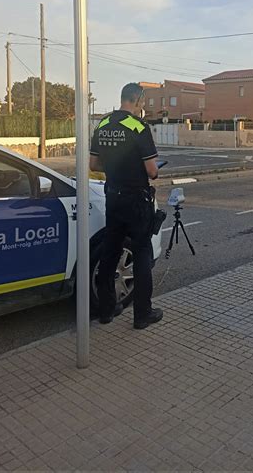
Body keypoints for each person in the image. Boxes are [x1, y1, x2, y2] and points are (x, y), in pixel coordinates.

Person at [89, 83, 163, 329]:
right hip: (136, 199)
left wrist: (115, 168)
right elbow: (152, 171)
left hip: (113, 196)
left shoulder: (103, 124)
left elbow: (94, 164)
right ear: (139, 99)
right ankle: (143, 314)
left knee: (110, 251)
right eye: (143, 101)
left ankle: (106, 310)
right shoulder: (138, 126)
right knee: (142, 252)